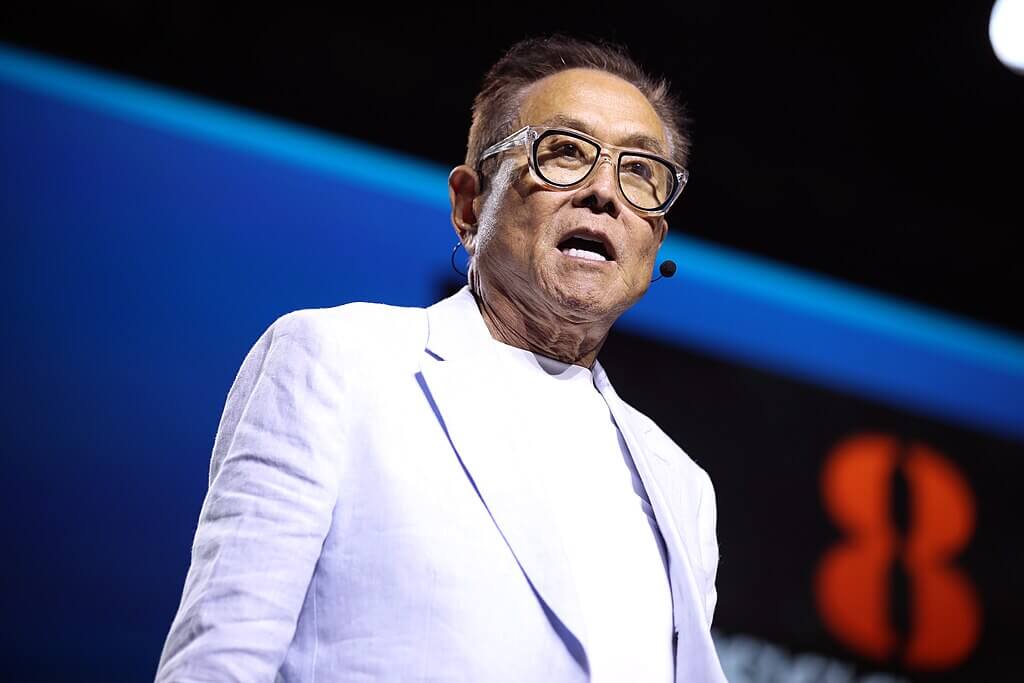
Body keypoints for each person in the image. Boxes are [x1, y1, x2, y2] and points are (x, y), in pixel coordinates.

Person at [155, 34, 725, 683]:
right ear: (470, 204)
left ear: (656, 240)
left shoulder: (682, 487)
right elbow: (218, 663)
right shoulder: (337, 363)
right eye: (565, 151)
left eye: (641, 170)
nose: (605, 193)